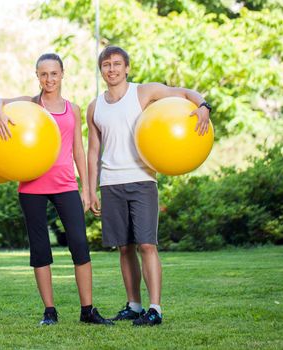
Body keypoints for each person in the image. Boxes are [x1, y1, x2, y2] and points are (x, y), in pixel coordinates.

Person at [87, 46, 211, 326]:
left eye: (117, 64)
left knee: (146, 244)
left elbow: (185, 93)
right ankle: (134, 305)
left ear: (127, 68)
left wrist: (204, 106)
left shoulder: (144, 92)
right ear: (101, 70)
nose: (112, 69)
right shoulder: (95, 107)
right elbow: (93, 151)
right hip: (110, 183)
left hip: (143, 179)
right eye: (106, 65)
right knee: (124, 247)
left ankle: (155, 308)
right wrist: (89, 189)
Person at [0, 53, 113, 326]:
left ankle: (88, 311)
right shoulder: (29, 104)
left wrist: (87, 188)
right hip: (32, 187)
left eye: (54, 73)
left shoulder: (74, 109)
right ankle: (49, 311)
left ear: (62, 74)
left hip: (66, 184)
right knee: (40, 249)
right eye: (43, 74)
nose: (49, 79)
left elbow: (78, 150)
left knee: (80, 245)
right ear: (37, 76)